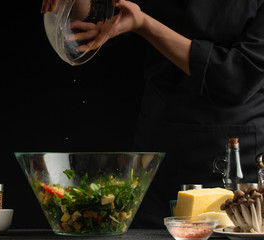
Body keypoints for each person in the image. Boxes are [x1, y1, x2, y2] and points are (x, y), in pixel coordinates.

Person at [41, 0, 264, 228]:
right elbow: (89, 22)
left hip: (236, 162)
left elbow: (237, 78)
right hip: (160, 153)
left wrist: (144, 24)